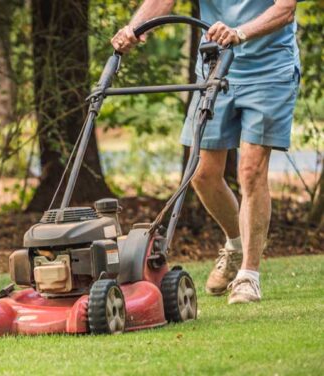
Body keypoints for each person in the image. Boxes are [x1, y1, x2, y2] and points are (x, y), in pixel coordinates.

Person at [111, 0, 300, 304]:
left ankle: (249, 276)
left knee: (251, 171)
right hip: (216, 67)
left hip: (269, 71)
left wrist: (239, 32)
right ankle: (236, 245)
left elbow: (285, 9)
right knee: (202, 174)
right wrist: (133, 29)